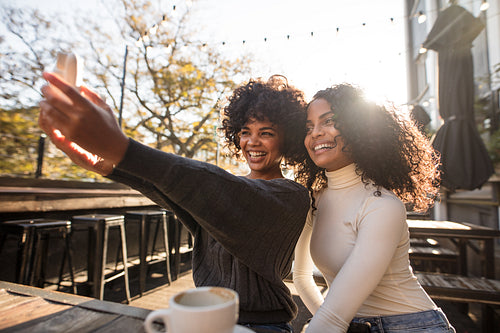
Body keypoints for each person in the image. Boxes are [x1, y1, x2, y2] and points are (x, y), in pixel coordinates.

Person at [39, 72, 311, 333]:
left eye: (266, 133)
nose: (252, 141)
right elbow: (180, 194)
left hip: (263, 327)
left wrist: (123, 149)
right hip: (204, 319)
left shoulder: (290, 197)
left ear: (286, 139)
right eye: (244, 131)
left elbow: (213, 188)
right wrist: (109, 167)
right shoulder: (224, 192)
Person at [293, 83, 455, 332]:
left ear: (359, 127)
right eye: (309, 127)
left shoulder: (382, 205)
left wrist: (332, 323)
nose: (315, 133)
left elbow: (334, 317)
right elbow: (302, 279)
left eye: (328, 121)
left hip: (411, 325)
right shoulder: (313, 201)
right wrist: (335, 324)